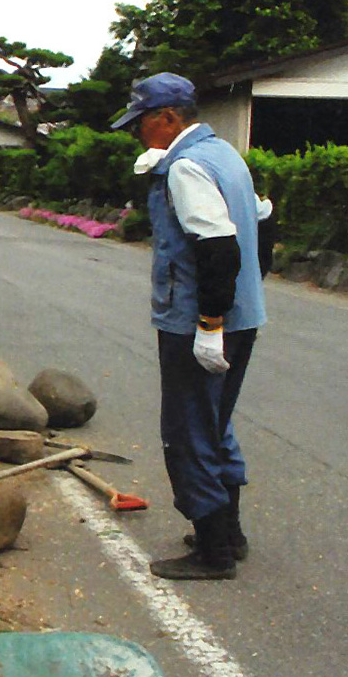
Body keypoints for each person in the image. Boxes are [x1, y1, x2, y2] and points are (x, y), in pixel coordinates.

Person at [111, 72, 272, 580]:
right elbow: (263, 227)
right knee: (216, 423)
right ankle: (230, 532)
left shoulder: (186, 167)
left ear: (168, 118)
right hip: (242, 315)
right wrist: (240, 304)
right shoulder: (224, 154)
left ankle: (212, 551)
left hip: (200, 320)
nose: (138, 133)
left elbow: (218, 249)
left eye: (142, 123)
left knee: (188, 432)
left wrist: (208, 324)